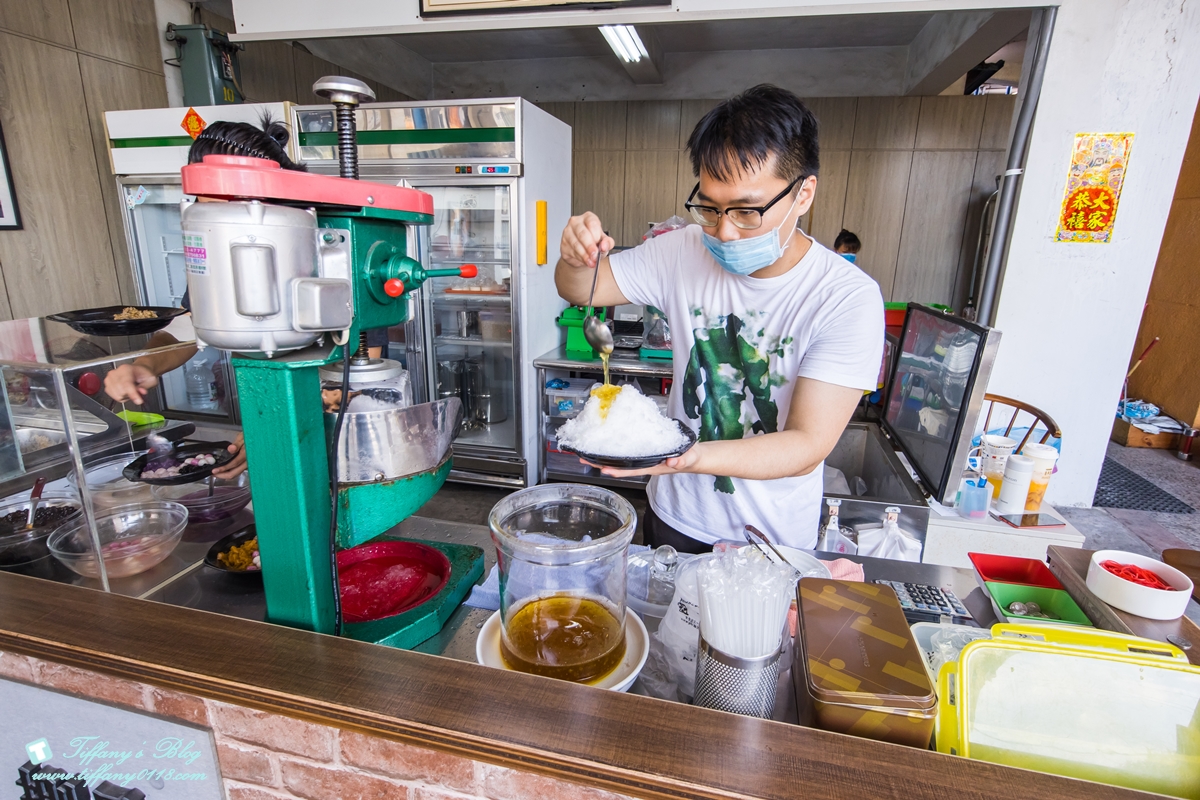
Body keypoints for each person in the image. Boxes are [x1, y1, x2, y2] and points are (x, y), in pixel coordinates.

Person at [555, 85, 884, 552]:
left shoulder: (845, 297)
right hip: (674, 516)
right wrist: (575, 257)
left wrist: (686, 457)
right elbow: (579, 288)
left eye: (747, 211)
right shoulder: (681, 251)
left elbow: (807, 445)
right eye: (709, 208)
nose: (725, 231)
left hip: (769, 540)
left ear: (803, 194)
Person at [103, 117, 308, 479]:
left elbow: (363, 366)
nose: (213, 219)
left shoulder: (321, 241)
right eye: (203, 203)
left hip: (325, 425)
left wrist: (282, 422)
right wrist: (145, 366)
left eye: (228, 205)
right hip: (264, 408)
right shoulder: (217, 245)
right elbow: (189, 326)